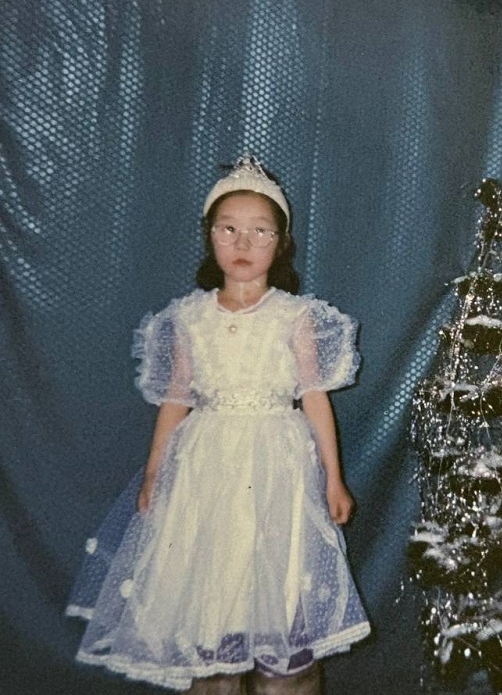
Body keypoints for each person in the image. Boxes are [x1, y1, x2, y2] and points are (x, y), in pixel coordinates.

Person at [66, 156, 370, 694]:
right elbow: (175, 401)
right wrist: (154, 476)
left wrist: (333, 478)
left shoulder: (295, 317)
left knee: (278, 590)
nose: (243, 243)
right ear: (210, 237)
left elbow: (314, 398)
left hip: (278, 470)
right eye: (229, 229)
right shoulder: (188, 318)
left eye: (259, 231)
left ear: (281, 244)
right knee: (213, 596)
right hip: (206, 471)